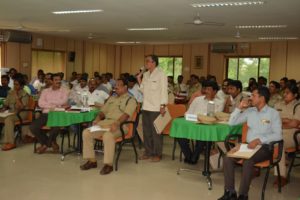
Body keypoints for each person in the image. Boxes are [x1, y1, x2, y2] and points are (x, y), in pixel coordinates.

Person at [218, 87, 282, 200]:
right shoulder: (250, 111)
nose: (250, 98)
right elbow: (231, 122)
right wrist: (239, 107)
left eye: (253, 95)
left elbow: (278, 135)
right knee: (227, 158)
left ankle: (243, 195)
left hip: (265, 147)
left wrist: (259, 140)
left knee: (248, 161)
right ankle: (230, 192)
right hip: (247, 146)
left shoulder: (273, 113)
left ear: (262, 98)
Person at [80, 78, 137, 175]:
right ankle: (92, 161)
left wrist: (117, 123)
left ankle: (108, 165)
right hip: (104, 124)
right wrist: (97, 118)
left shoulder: (131, 100)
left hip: (120, 126)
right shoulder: (112, 98)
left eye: (118, 85)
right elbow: (103, 111)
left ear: (125, 87)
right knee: (86, 132)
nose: (116, 87)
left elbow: (126, 115)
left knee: (108, 136)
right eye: (115, 85)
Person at [178, 81, 225, 164]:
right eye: (205, 89)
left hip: (206, 128)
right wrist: (197, 118)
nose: (206, 91)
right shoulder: (197, 99)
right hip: (192, 125)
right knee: (180, 134)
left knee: (203, 136)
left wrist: (201, 117)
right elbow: (187, 113)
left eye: (209, 89)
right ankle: (189, 155)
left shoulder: (220, 102)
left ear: (215, 91)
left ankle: (194, 157)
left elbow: (215, 117)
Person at [137, 54, 168, 162]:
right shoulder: (145, 75)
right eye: (146, 61)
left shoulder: (161, 74)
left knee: (156, 132)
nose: (146, 63)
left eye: (148, 61)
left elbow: (164, 91)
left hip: (156, 107)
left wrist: (163, 105)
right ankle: (148, 152)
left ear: (154, 62)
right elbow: (142, 90)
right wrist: (139, 78)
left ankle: (157, 154)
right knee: (147, 132)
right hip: (146, 107)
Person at [29, 73, 69, 154]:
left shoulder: (64, 90)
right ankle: (51, 143)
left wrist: (49, 103)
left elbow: (63, 101)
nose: (58, 82)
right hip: (46, 114)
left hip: (59, 114)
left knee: (56, 127)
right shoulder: (45, 91)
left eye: (59, 80)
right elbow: (40, 103)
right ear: (51, 81)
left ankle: (45, 145)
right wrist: (55, 105)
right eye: (56, 80)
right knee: (33, 127)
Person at [273, 82, 300, 186]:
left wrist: (280, 123)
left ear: (295, 95)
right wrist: (286, 120)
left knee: (279, 143)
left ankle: (281, 176)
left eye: (287, 93)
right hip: (278, 131)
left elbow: (295, 123)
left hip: (293, 134)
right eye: (284, 92)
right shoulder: (278, 104)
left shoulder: (298, 106)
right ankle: (256, 168)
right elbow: (271, 120)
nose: (284, 95)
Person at [1, 74, 29, 151]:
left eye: (16, 84)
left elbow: (21, 107)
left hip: (21, 113)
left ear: (21, 85)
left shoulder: (25, 94)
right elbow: (6, 104)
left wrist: (16, 96)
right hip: (11, 112)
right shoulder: (10, 92)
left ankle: (10, 142)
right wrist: (3, 109)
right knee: (4, 117)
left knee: (8, 119)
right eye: (14, 84)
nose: (14, 86)